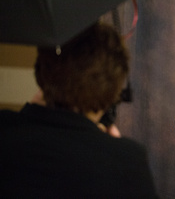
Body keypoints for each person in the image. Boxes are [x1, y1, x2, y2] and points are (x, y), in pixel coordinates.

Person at [0, 22, 158, 198]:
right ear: (114, 90)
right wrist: (115, 152)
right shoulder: (127, 162)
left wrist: (28, 114)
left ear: (41, 71)